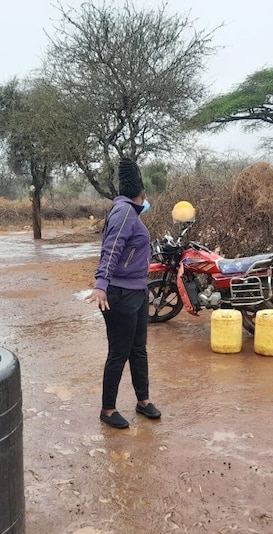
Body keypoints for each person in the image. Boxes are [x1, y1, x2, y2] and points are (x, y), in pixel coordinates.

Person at [86, 157, 161, 429]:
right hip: (120, 294)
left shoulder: (131, 213)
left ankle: (143, 401)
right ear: (141, 193)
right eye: (146, 194)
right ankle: (107, 409)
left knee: (138, 350)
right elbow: (112, 248)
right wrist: (101, 284)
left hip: (137, 292)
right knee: (119, 352)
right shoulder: (124, 212)